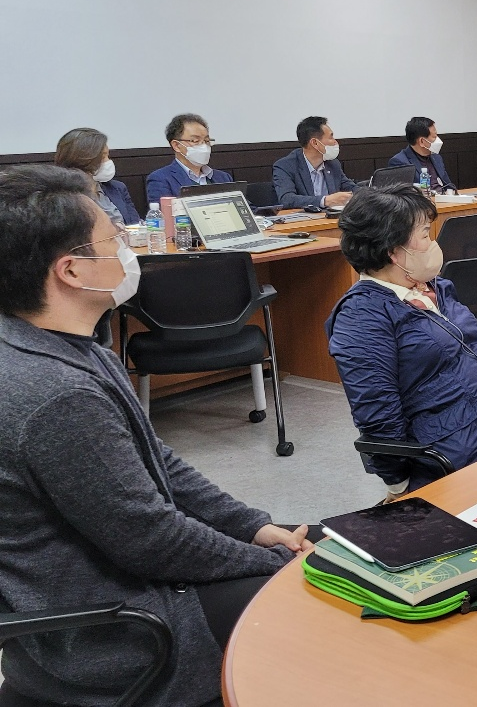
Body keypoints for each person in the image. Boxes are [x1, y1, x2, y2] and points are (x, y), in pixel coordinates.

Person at [0, 164, 311, 707]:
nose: (128, 249)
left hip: (122, 581)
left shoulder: (65, 344)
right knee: (322, 594)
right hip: (115, 628)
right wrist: (274, 564)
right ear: (71, 270)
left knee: (328, 545)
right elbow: (150, 539)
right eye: (114, 240)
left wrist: (253, 527)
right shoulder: (56, 394)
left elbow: (157, 462)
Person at [327, 184, 477, 497]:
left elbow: (476, 353)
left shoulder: (434, 287)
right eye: (425, 235)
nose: (433, 243)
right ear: (392, 251)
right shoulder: (362, 316)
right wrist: (399, 486)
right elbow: (377, 414)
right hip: (458, 458)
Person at [54, 127, 140, 226]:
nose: (108, 162)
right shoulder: (62, 197)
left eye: (108, 156)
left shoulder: (118, 188)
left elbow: (135, 225)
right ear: (83, 160)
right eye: (102, 157)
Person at [146, 113, 234, 204]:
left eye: (207, 141)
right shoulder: (161, 179)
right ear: (176, 145)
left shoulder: (223, 177)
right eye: (195, 141)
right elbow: (164, 211)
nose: (203, 146)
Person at [272, 116, 358, 209]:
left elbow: (350, 187)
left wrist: (366, 193)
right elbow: (287, 199)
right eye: (331, 137)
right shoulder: (285, 166)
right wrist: (325, 201)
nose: (335, 142)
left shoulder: (333, 164)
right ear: (315, 143)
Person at [389, 116, 457, 192]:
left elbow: (449, 185)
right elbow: (404, 195)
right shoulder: (399, 162)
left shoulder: (436, 157)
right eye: (434, 137)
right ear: (422, 141)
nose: (438, 140)